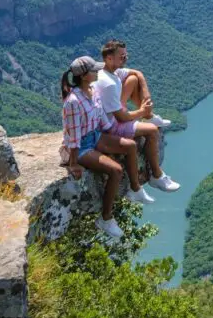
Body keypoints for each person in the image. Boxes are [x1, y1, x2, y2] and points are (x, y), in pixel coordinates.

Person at [61, 56, 153, 239]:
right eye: (94, 70)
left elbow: (101, 119)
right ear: (84, 76)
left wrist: (121, 130)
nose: (98, 71)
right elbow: (74, 135)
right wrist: (74, 163)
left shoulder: (93, 90)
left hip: (96, 136)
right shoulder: (73, 101)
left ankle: (135, 189)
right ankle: (105, 218)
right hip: (82, 146)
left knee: (130, 146)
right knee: (116, 170)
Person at [95, 39, 180, 192]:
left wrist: (146, 94)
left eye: (126, 55)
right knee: (152, 130)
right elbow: (121, 118)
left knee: (133, 79)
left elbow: (137, 73)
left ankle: (150, 116)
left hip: (114, 113)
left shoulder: (111, 71)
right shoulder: (108, 83)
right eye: (121, 56)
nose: (125, 58)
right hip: (111, 125)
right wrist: (142, 111)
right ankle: (156, 176)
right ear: (109, 58)